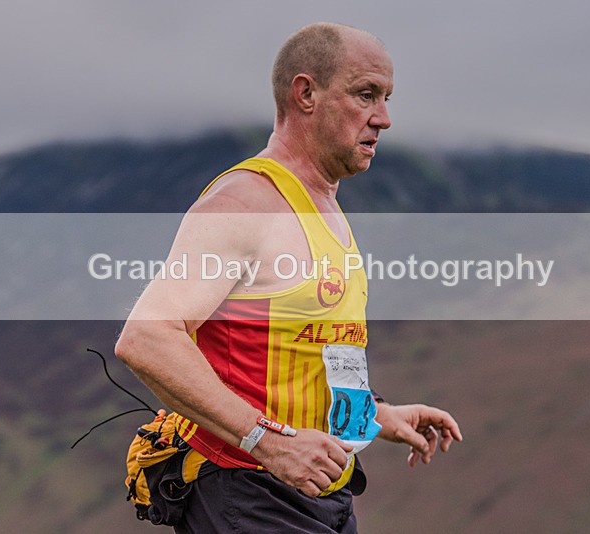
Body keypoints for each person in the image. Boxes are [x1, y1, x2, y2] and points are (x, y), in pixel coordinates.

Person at [115, 22, 462, 533]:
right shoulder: (244, 203)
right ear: (306, 94)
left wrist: (373, 416)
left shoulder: (324, 205)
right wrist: (269, 441)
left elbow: (309, 349)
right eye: (365, 95)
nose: (384, 119)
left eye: (386, 98)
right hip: (248, 490)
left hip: (319, 486)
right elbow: (146, 338)